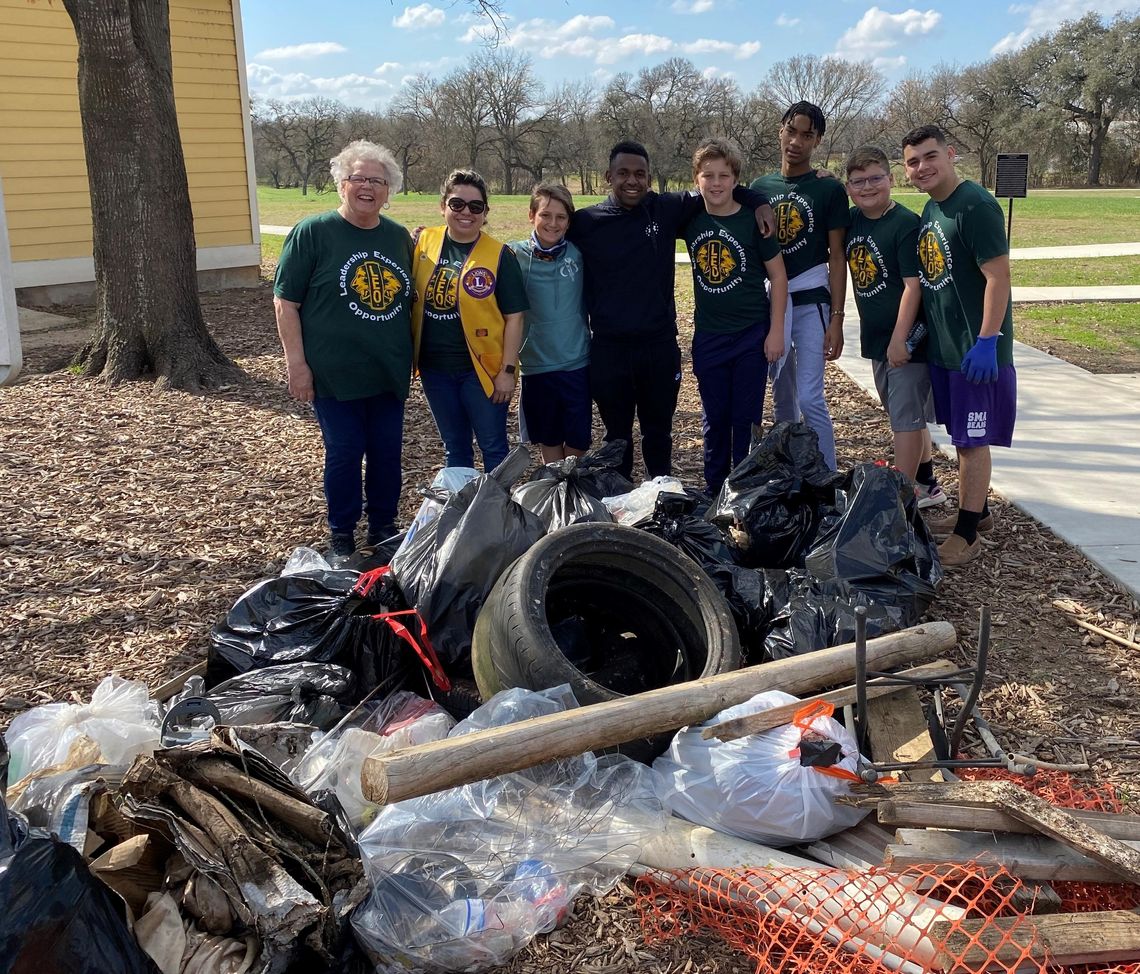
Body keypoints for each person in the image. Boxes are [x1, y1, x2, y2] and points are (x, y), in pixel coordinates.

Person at [568, 140, 775, 480]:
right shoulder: (587, 222)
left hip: (659, 345)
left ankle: (659, 497)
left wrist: (759, 200)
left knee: (658, 433)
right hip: (609, 348)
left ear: (650, 178)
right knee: (616, 437)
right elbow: (550, 234)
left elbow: (717, 188)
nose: (632, 181)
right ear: (608, 176)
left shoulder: (665, 208)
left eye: (640, 174)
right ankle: (620, 503)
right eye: (623, 173)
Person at [273, 139, 413, 558]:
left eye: (378, 180)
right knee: (345, 452)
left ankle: (384, 528)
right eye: (358, 178)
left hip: (387, 370)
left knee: (387, 454)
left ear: (389, 190)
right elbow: (285, 302)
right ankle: (342, 534)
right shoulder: (313, 233)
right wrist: (297, 365)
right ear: (341, 184)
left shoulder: (398, 237)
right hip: (335, 373)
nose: (368, 187)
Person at [902, 124, 1016, 567]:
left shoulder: (976, 206)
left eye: (930, 157)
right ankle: (978, 512)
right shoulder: (934, 208)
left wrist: (988, 339)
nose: (921, 167)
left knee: (972, 440)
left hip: (976, 349)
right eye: (912, 162)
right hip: (947, 348)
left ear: (951, 154)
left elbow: (998, 277)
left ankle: (968, 534)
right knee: (959, 435)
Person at [682, 138, 788, 496]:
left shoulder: (754, 220)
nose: (715, 183)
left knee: (746, 418)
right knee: (715, 419)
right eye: (707, 175)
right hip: (710, 335)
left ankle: (743, 491)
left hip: (750, 334)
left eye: (723, 176)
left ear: (735, 180)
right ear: (696, 179)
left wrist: (776, 332)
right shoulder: (691, 219)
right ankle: (714, 491)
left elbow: (778, 278)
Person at [844, 144, 947, 506]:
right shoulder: (854, 220)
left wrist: (900, 338)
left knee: (904, 419)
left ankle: (898, 502)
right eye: (858, 182)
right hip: (877, 336)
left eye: (876, 179)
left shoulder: (903, 224)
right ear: (848, 188)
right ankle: (926, 484)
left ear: (890, 179)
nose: (868, 187)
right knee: (904, 413)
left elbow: (913, 286)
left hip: (906, 337)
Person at [750, 101, 850, 471]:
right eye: (792, 131)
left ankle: (825, 474)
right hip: (773, 302)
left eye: (807, 135)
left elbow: (837, 256)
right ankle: (786, 470)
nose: (797, 141)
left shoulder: (828, 190)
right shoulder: (760, 188)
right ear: (780, 130)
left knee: (811, 397)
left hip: (811, 301)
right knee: (781, 395)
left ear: (818, 140)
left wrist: (837, 317)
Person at [411, 169, 529, 472]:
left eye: (476, 207)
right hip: (435, 369)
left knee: (493, 447)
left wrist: (507, 371)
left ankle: (497, 514)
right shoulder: (424, 242)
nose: (466, 212)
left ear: (485, 212)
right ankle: (463, 514)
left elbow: (515, 318)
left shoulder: (499, 255)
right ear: (443, 206)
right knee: (455, 448)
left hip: (482, 371)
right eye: (457, 204)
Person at [508, 183, 592, 463]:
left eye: (560, 217)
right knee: (549, 437)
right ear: (532, 215)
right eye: (545, 215)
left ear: (569, 222)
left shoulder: (579, 255)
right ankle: (555, 492)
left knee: (579, 439)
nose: (552, 223)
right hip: (537, 364)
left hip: (576, 361)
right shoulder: (512, 255)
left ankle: (570, 484)